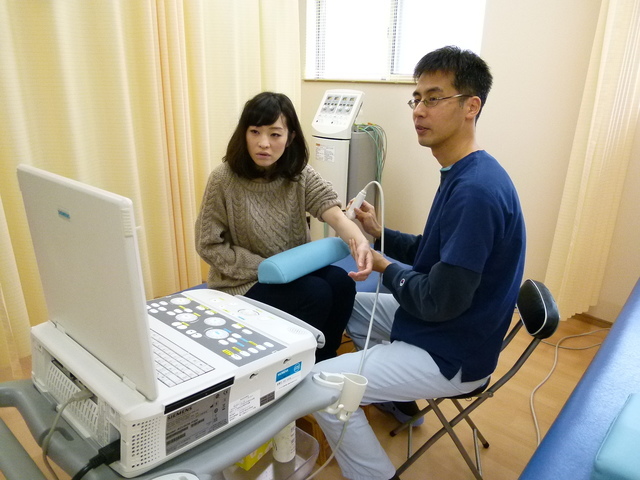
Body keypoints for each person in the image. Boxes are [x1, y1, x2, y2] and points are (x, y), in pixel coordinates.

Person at [311, 46, 526, 480]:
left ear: (471, 106)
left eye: (434, 98)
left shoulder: (475, 192)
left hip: (451, 352)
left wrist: (384, 265)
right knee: (347, 302)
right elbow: (437, 252)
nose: (419, 111)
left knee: (322, 385)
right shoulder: (465, 172)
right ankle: (398, 397)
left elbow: (437, 301)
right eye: (417, 99)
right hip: (449, 326)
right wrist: (380, 234)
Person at [195, 92, 372, 362]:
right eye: (255, 132)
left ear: (290, 138)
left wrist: (360, 242)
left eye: (275, 134)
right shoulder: (223, 179)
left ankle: (325, 359)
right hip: (242, 282)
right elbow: (208, 244)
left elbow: (334, 214)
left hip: (293, 271)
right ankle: (294, 364)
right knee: (316, 293)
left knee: (341, 283)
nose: (263, 143)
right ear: (244, 134)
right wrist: (263, 268)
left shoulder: (298, 173)